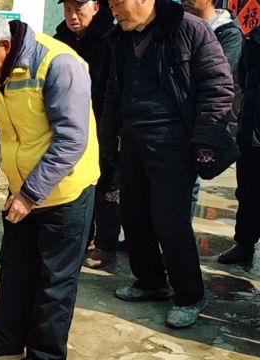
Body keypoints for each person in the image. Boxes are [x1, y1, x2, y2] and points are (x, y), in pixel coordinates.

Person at [0, 12, 99, 359]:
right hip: (21, 191)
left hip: (64, 194)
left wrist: (30, 195)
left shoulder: (59, 65)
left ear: (4, 46)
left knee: (54, 282)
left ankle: (45, 354)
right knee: (15, 268)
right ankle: (7, 339)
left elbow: (71, 140)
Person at [102, 0, 234, 328]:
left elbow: (218, 87)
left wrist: (204, 142)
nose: (113, 10)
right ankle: (151, 282)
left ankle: (190, 295)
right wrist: (107, 140)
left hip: (174, 146)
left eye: (117, 3)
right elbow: (113, 92)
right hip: (133, 139)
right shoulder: (120, 37)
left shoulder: (188, 29)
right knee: (133, 216)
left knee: (170, 223)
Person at [54, 0, 120, 268]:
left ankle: (106, 245)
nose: (72, 16)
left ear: (96, 7)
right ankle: (84, 238)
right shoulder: (61, 39)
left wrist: (110, 127)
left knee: (107, 185)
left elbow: (113, 86)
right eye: (68, 10)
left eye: (78, 10)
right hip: (72, 123)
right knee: (79, 183)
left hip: (105, 120)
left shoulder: (113, 38)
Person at [181, 0, 244, 217]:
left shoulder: (229, 33)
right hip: (177, 114)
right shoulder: (179, 24)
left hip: (204, 117)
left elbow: (218, 76)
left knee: (188, 181)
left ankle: (179, 240)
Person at [218, 28, 260, 265]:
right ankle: (244, 243)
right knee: (248, 192)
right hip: (252, 128)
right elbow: (243, 80)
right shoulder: (254, 40)